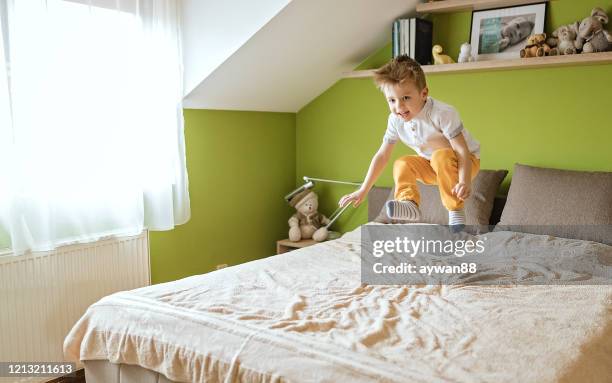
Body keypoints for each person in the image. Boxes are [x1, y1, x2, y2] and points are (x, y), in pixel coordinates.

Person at [338, 55, 480, 227]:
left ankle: (455, 210)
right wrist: (363, 189)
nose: (399, 108)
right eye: (392, 100)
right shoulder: (395, 120)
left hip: (465, 163)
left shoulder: (442, 113)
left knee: (440, 156)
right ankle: (409, 204)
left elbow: (461, 150)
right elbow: (382, 156)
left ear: (424, 93)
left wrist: (464, 181)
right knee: (402, 163)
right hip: (432, 166)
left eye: (406, 98)